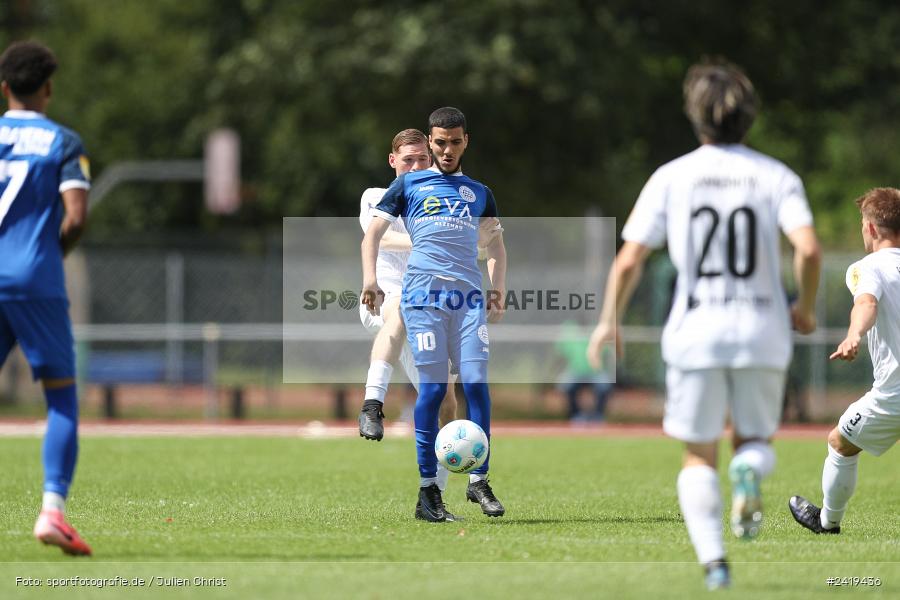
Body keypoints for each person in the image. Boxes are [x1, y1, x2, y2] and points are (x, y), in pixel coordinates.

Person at [586, 60, 821, 590]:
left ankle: (715, 564)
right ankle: (750, 473)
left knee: (697, 455)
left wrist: (608, 323)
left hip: (694, 331)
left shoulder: (672, 176)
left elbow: (628, 262)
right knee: (755, 438)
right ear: (750, 116)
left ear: (696, 117)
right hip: (762, 328)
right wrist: (803, 307)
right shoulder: (776, 176)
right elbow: (808, 248)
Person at [361, 107, 507, 522]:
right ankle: (428, 492)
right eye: (439, 142)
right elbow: (373, 234)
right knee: (432, 392)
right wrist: (370, 280)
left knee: (475, 387)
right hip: (422, 299)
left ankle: (479, 480)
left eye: (454, 142)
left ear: (466, 142)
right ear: (430, 141)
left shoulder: (479, 191)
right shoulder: (407, 185)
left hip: (468, 302)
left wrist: (498, 288)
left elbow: (495, 245)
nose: (446, 150)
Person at [0, 41, 92, 555]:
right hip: (35, 280)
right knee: (60, 398)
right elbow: (75, 217)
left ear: (4, 87)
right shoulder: (62, 141)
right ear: (48, 89)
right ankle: (52, 512)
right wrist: (45, 256)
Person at [789, 187, 900, 535]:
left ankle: (828, 521)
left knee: (841, 442)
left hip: (894, 394)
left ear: (870, 228)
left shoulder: (868, 267)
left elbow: (866, 304)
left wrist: (854, 334)